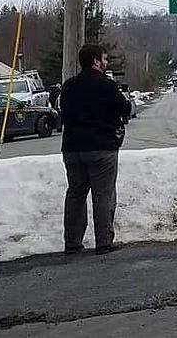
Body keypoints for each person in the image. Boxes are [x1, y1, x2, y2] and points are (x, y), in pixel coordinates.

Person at [60, 44, 132, 255]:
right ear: (96, 62)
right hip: (101, 148)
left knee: (75, 195)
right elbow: (125, 108)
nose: (106, 62)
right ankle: (103, 242)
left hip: (72, 148)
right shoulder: (106, 86)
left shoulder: (69, 86)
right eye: (105, 59)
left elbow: (62, 113)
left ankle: (72, 243)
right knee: (103, 195)